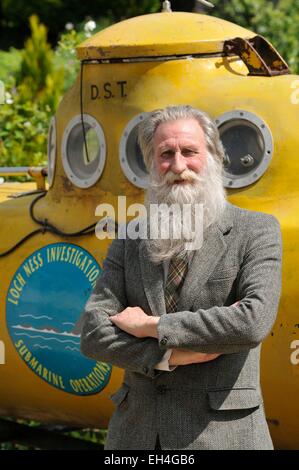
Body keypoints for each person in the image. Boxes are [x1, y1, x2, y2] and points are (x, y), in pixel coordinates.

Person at [80, 105, 282, 450]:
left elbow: (252, 322)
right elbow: (93, 333)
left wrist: (154, 326)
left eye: (189, 151)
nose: (178, 166)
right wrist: (167, 356)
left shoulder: (256, 231)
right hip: (138, 437)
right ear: (151, 165)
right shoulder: (130, 238)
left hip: (223, 437)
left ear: (215, 157)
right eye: (165, 154)